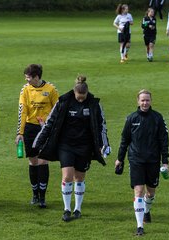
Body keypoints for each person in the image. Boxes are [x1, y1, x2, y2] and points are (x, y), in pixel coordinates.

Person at [33, 75, 110, 222]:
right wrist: (38, 142)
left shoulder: (94, 104)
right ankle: (67, 209)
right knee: (67, 176)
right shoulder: (63, 102)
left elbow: (102, 126)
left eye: (83, 97)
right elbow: (50, 122)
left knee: (79, 177)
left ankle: (77, 209)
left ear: (87, 93)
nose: (81, 100)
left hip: (85, 146)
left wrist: (104, 144)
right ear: (74, 92)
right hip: (66, 145)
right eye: (78, 97)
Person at [114, 89, 169, 236]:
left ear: (151, 101)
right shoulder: (131, 118)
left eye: (147, 100)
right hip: (136, 159)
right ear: (138, 101)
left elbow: (164, 140)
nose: (145, 103)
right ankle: (140, 226)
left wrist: (165, 161)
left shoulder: (158, 118)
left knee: (150, 192)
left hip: (152, 160)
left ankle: (147, 210)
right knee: (138, 191)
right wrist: (120, 158)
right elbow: (124, 140)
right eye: (142, 100)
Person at [15, 64, 59, 208]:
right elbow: (23, 111)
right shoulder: (25, 90)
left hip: (45, 129)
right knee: (33, 162)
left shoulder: (51, 89)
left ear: (37, 77)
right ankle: (34, 194)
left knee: (43, 162)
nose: (27, 80)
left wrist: (50, 126)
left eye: (29, 78)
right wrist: (20, 133)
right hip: (30, 129)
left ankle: (42, 197)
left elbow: (58, 110)